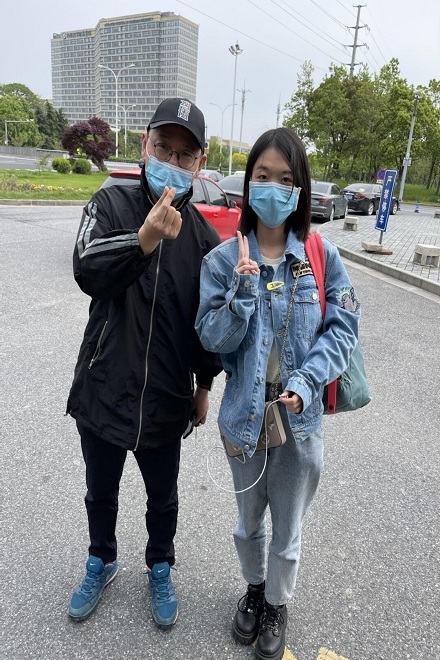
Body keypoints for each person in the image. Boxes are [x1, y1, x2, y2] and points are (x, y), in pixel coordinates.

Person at [195, 127, 360, 660]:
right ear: (249, 184)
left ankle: (276, 603)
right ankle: (253, 587)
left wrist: (307, 381)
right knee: (248, 525)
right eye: (262, 176)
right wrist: (241, 294)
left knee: (288, 528)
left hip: (298, 421)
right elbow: (211, 338)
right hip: (244, 417)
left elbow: (343, 329)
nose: (273, 188)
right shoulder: (223, 260)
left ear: (299, 188)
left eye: (285, 179)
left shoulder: (321, 255)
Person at [66, 98, 222, 628]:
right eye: (163, 148)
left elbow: (205, 324)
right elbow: (87, 269)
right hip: (104, 384)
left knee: (163, 498)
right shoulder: (110, 202)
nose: (172, 163)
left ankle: (160, 565)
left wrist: (204, 384)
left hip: (166, 397)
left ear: (199, 164)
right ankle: (102, 558)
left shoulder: (204, 239)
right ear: (144, 145)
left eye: (185, 155)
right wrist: (144, 240)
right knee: (100, 491)